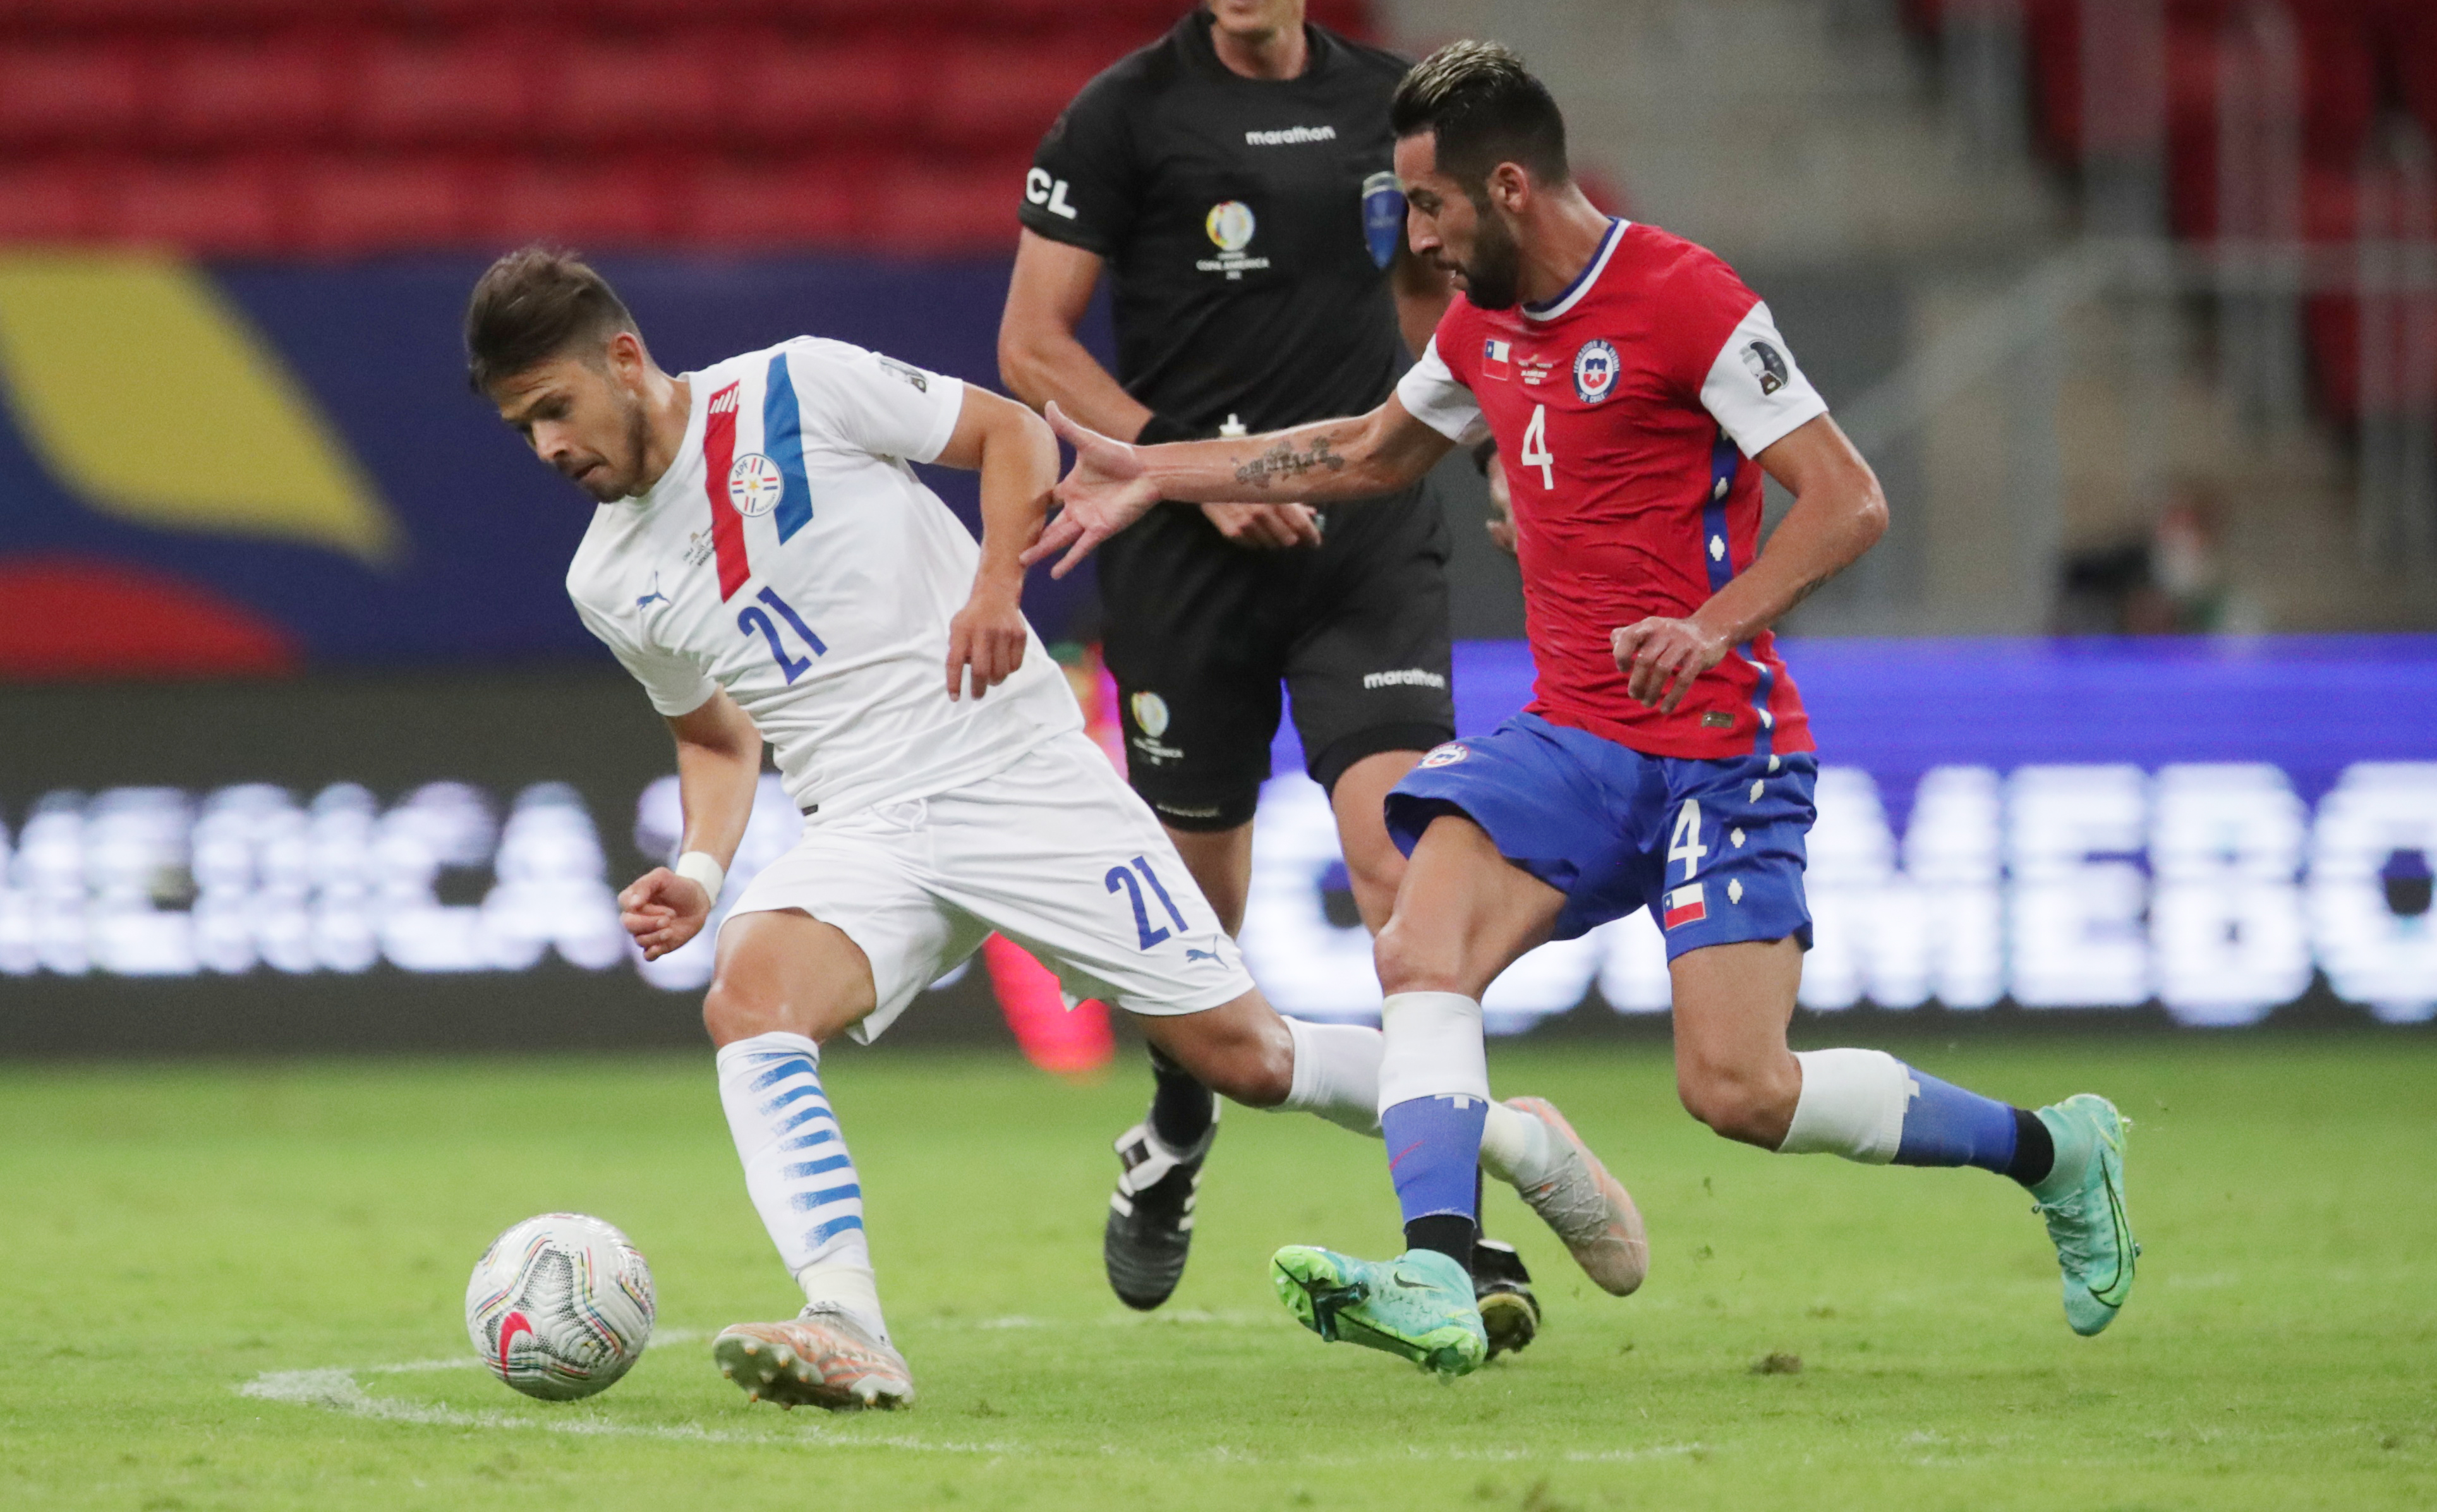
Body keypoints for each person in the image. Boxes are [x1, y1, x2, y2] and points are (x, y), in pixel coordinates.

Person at [1027, 42, 2141, 1379]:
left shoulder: (1688, 300)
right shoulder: (1480, 329)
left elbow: (1848, 497)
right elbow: (1372, 450)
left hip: (1724, 747)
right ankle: (1441, 1266)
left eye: (1430, 208)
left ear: (1508, 188)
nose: (1415, 237)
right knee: (1418, 937)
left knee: (1739, 1089)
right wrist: (1158, 467)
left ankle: (2057, 1148)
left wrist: (1713, 623)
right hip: (1575, 738)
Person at [465, 246, 1646, 1410]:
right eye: (524, 430)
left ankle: (1518, 1140)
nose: (549, 448)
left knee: (1247, 1057)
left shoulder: (794, 385)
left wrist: (993, 590)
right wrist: (702, 865)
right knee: (750, 996)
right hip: (867, 822)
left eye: (555, 408)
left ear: (625, 359)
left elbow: (1014, 434)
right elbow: (718, 738)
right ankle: (848, 1320)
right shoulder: (607, 579)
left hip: (1015, 767)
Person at [996, 0, 1540, 1332]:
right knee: (1196, 919)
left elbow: (1457, 306)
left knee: (1404, 869)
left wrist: (1494, 448)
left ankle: (1452, 1233)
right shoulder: (1122, 116)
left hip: (1366, 540)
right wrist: (1186, 467)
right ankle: (1174, 1135)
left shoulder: (1396, 109)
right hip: (1183, 556)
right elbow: (1031, 345)